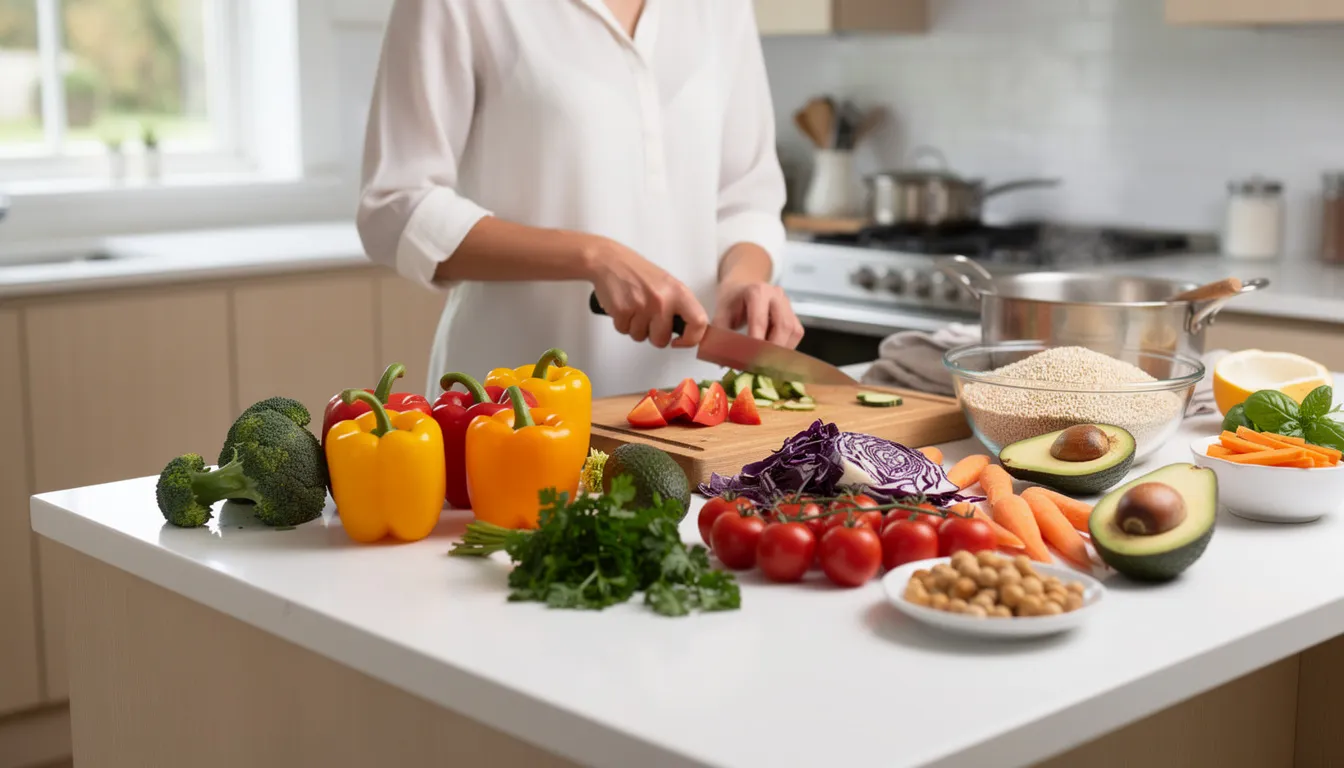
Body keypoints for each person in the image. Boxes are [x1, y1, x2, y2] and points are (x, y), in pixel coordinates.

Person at [357, 0, 803, 398]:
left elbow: (747, 195)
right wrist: (593, 256)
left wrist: (744, 278)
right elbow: (396, 207)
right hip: (515, 406)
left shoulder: (724, 8)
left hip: (691, 405)